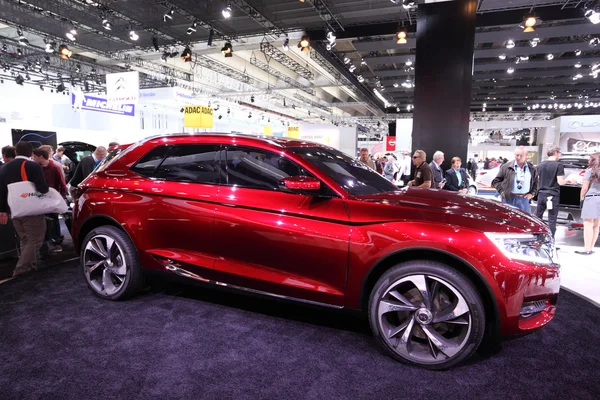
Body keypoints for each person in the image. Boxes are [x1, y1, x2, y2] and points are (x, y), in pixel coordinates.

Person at [0, 141, 49, 277]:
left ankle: (30, 266)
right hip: (30, 208)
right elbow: (42, 188)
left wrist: (3, 210)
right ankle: (21, 269)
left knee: (25, 239)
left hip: (14, 208)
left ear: (16, 152)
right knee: (36, 238)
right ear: (31, 153)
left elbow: (2, 191)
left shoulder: (4, 167)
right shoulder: (32, 166)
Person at [33, 148, 68, 254]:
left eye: (34, 156)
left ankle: (57, 243)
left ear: (41, 157)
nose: (32, 158)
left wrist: (60, 198)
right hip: (39, 199)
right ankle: (44, 247)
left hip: (52, 199)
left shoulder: (54, 167)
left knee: (54, 221)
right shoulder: (35, 168)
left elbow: (63, 184)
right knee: (42, 223)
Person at [536, 146, 574, 237]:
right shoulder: (558, 165)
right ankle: (551, 242)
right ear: (556, 153)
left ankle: (536, 238)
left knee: (537, 218)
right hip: (552, 196)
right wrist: (568, 181)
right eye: (559, 152)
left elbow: (537, 180)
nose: (559, 155)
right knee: (552, 220)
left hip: (541, 195)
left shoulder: (540, 165)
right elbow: (560, 181)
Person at [492, 146, 538, 213]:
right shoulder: (506, 167)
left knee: (525, 221)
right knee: (507, 220)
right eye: (517, 155)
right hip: (509, 199)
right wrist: (502, 192)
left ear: (526, 155)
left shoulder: (532, 169)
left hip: (524, 199)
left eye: (521, 155)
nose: (518, 157)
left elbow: (536, 183)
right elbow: (496, 181)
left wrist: (532, 194)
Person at [576, 153, 600, 255]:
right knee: (596, 225)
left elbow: (584, 188)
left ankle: (586, 249)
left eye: (590, 159)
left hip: (591, 199)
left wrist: (581, 198)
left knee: (588, 224)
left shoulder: (590, 171)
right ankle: (591, 247)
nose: (588, 161)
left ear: (594, 160)